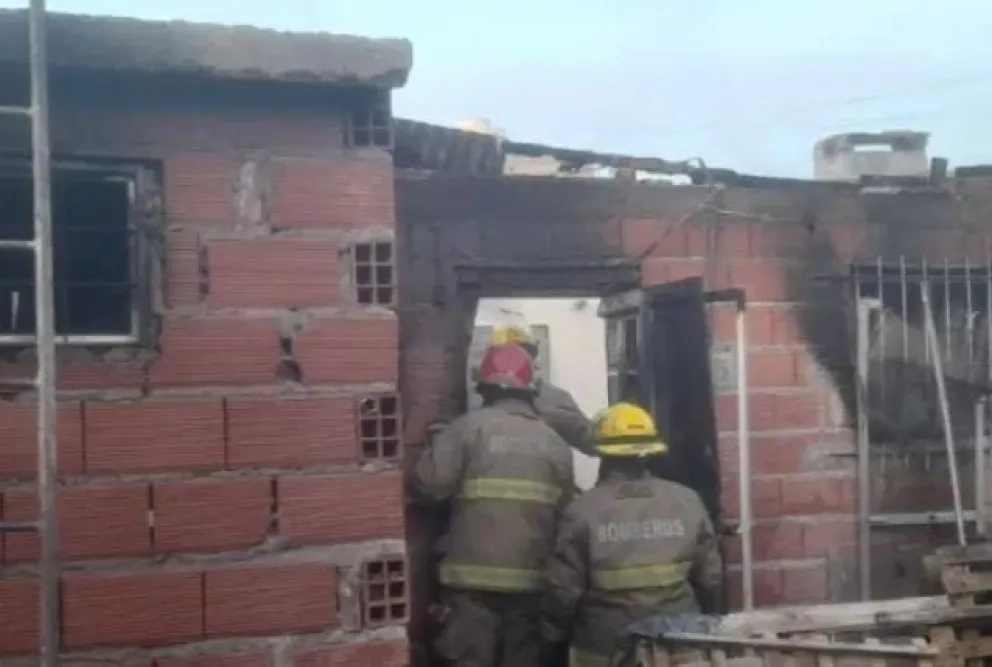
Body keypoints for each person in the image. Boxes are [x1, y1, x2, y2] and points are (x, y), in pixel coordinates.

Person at [410, 342, 576, 667]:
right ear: (532, 391)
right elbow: (567, 515)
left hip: (469, 587)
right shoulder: (555, 443)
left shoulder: (466, 429)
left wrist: (436, 442)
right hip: (531, 585)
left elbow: (429, 486)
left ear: (483, 388)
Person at [540, 402, 723, 667]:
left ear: (603, 454)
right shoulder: (686, 501)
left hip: (605, 652)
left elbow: (562, 595)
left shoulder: (582, 511)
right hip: (677, 650)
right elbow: (711, 581)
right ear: (647, 454)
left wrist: (551, 643)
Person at [490, 324, 597, 457]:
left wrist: (570, 423)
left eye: (520, 355)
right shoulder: (481, 399)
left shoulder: (556, 399)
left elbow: (593, 445)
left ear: (533, 359)